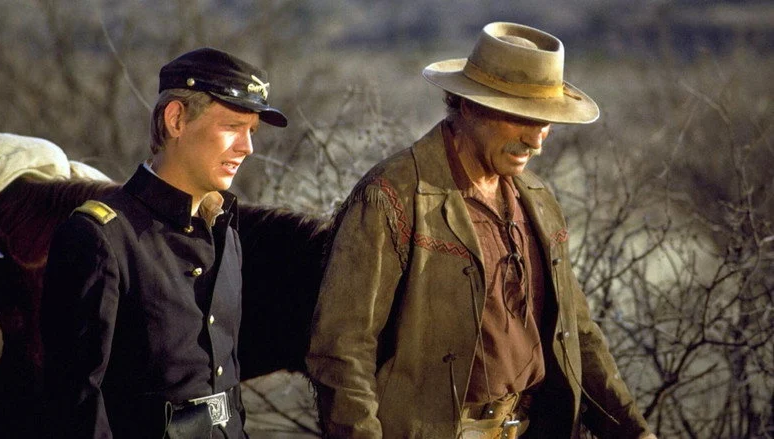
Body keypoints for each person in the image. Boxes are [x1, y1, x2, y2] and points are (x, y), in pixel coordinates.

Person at [306, 22, 657, 439]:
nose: (536, 141)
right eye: (521, 118)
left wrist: (634, 432)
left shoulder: (537, 198)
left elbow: (577, 334)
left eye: (545, 122)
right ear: (470, 106)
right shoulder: (393, 196)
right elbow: (341, 350)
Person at [41, 47, 287, 438]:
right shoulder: (99, 237)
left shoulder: (226, 233)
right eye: (233, 127)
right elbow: (74, 403)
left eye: (251, 131)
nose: (247, 147)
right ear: (176, 119)